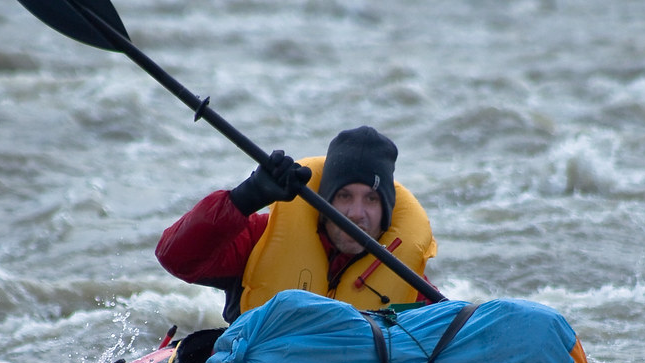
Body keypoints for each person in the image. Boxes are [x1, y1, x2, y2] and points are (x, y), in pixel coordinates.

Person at [156, 126, 437, 323]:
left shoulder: (406, 276)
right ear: (324, 202)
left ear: (387, 211)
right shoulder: (260, 239)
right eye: (344, 196)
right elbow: (175, 257)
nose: (356, 213)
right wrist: (246, 196)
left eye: (372, 199)